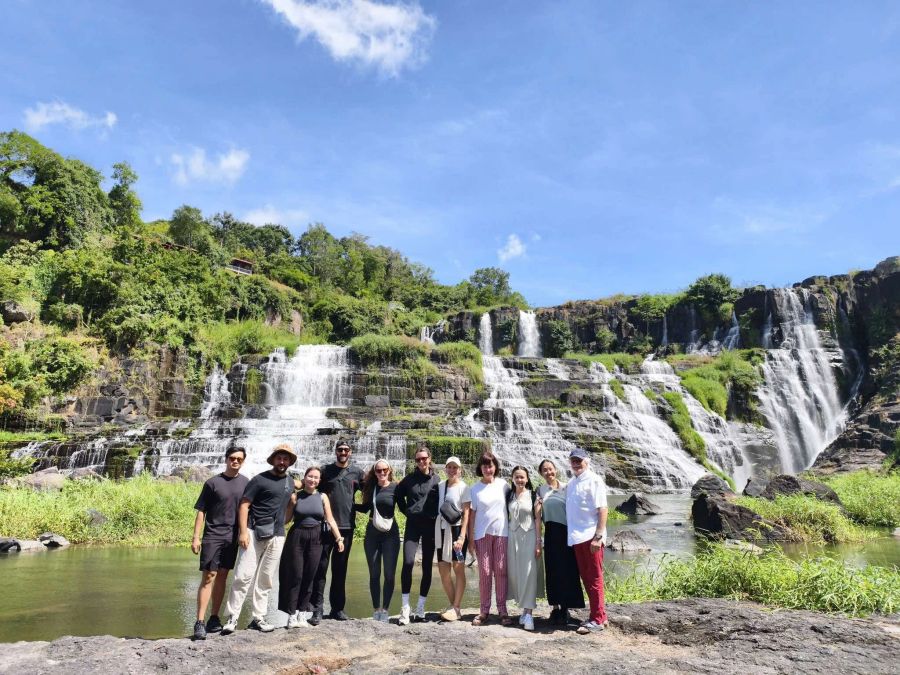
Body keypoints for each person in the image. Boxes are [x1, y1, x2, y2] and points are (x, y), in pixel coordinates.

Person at [221, 443, 297, 635]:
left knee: (266, 578)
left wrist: (287, 517)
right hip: (254, 532)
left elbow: (290, 504)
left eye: (285, 459)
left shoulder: (290, 481)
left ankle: (258, 617)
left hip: (278, 535)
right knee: (243, 576)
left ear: (289, 462)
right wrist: (243, 532)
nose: (282, 461)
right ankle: (232, 617)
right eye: (279, 458)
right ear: (273, 460)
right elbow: (245, 505)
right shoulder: (260, 479)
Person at [190, 447, 249, 640]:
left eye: (239, 459)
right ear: (226, 459)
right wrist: (196, 537)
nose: (235, 461)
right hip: (213, 535)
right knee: (209, 576)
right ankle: (199, 621)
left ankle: (214, 618)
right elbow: (201, 511)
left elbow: (249, 510)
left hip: (232, 537)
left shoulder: (246, 483)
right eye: (232, 458)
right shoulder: (212, 483)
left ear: (243, 461)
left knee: (223, 575)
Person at [278, 466, 344, 629]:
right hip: (297, 537)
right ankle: (291, 615)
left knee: (310, 576)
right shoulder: (295, 497)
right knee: (296, 576)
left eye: (316, 477)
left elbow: (330, 520)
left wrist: (339, 538)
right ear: (304, 478)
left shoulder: (322, 497)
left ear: (319, 480)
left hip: (317, 538)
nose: (312, 480)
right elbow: (286, 520)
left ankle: (302, 613)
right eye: (310, 476)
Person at [312, 440, 365, 623]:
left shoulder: (357, 472)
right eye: (340, 449)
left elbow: (370, 489)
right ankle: (317, 609)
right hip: (325, 527)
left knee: (340, 570)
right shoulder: (325, 471)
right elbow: (311, 489)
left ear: (350, 452)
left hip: (347, 528)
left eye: (346, 449)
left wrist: (360, 507)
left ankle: (337, 608)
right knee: (320, 568)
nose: (343, 452)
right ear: (335, 451)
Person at [565, 447, 609, 634]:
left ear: (587, 461)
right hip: (577, 538)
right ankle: (600, 616)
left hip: (591, 537)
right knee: (587, 578)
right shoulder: (572, 482)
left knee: (594, 578)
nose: (576, 463)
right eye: (573, 460)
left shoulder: (594, 480)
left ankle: (597, 619)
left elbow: (603, 509)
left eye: (579, 460)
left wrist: (598, 537)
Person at [536, 458, 584, 627]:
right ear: (541, 474)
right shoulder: (540, 490)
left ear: (555, 469)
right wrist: (537, 539)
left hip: (567, 533)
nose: (548, 472)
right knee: (553, 571)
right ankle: (555, 608)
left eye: (550, 469)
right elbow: (537, 517)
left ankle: (565, 608)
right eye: (544, 470)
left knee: (568, 571)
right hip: (550, 533)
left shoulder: (567, 487)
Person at [466, 450, 511, 626]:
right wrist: (470, 540)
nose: (488, 469)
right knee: (485, 573)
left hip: (502, 533)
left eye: (490, 465)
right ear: (480, 468)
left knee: (500, 570)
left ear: (495, 467)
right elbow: (472, 516)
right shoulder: (475, 489)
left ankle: (502, 610)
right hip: (482, 535)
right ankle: (484, 610)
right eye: (485, 466)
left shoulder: (504, 485)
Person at [396, 445, 439, 624]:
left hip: (430, 527)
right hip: (413, 525)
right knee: (408, 562)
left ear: (429, 459)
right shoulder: (409, 480)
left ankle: (421, 607)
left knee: (427, 566)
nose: (421, 461)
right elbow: (398, 497)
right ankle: (405, 607)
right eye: (418, 459)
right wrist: (408, 512)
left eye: (424, 458)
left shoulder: (437, 480)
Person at [358, 458, 401, 622]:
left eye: (385, 470)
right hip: (372, 534)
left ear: (389, 470)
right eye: (378, 470)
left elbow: (404, 507)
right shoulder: (371, 487)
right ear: (374, 472)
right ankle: (376, 610)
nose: (382, 473)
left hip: (391, 534)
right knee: (374, 574)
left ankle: (386, 609)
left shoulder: (396, 487)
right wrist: (349, 506)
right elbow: (365, 507)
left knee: (389, 575)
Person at [505, 465, 543, 631]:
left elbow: (537, 519)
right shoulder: (509, 495)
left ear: (527, 479)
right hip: (512, 537)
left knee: (529, 573)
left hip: (529, 536)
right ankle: (523, 609)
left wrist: (538, 542)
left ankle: (529, 613)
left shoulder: (534, 495)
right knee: (515, 574)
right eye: (517, 477)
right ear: (512, 479)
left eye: (522, 477)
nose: (520, 480)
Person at [434, 456, 470, 622]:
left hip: (457, 532)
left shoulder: (464, 487)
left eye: (455, 467)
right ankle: (454, 606)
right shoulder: (440, 486)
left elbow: (467, 512)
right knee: (443, 570)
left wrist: (462, 536)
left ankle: (456, 607)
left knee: (458, 567)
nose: (452, 470)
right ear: (445, 469)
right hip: (441, 530)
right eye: (449, 467)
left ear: (460, 470)